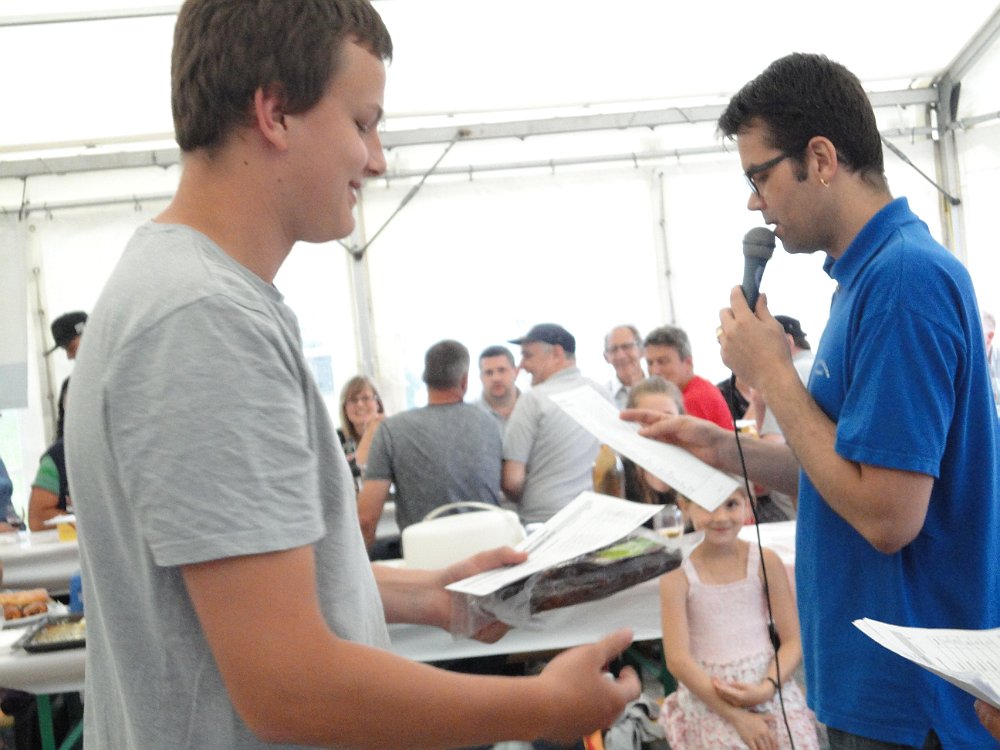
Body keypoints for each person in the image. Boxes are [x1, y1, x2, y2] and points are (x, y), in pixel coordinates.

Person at [63, 3, 638, 748]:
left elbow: (242, 595)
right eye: (363, 123)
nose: (377, 159)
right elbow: (289, 687)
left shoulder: (181, 293)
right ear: (275, 113)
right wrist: (542, 708)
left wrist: (429, 594)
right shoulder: (204, 320)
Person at [628, 52, 999, 748]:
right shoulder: (868, 279)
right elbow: (845, 473)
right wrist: (721, 449)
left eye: (759, 175)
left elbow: (888, 515)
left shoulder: (903, 283)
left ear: (821, 159)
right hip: (872, 684)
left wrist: (775, 376)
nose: (754, 201)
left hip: (908, 698)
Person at [658, 485, 818, 750]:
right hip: (710, 694)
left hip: (767, 682)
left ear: (747, 503)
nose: (721, 517)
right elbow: (677, 660)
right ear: (685, 508)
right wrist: (737, 717)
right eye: (708, 506)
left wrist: (766, 688)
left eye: (731, 504)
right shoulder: (677, 575)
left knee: (797, 740)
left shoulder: (766, 561)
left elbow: (793, 641)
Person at [358, 339, 503, 548]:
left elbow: (366, 519)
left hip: (427, 558)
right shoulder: (491, 424)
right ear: (464, 381)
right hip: (490, 553)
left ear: (425, 379)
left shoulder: (392, 430)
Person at [502, 323, 608, 523]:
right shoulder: (602, 395)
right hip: (597, 517)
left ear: (557, 353)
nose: (522, 365)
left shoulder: (532, 400)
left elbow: (512, 481)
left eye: (527, 355)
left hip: (544, 522)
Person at [643, 325, 734, 429]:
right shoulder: (700, 387)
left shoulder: (691, 400)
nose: (655, 371)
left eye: (662, 362)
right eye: (650, 363)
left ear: (688, 363)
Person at [337, 374, 385, 490]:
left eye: (366, 398)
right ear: (344, 408)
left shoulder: (391, 436)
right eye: (353, 400)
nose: (360, 404)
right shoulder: (335, 439)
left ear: (377, 403)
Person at [44, 310, 87, 439]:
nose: (69, 356)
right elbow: (62, 432)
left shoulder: (116, 377)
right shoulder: (69, 386)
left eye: (71, 347)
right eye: (65, 350)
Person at [603, 325, 646, 410]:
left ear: (642, 350)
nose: (621, 356)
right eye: (613, 349)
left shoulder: (662, 388)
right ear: (606, 357)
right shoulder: (603, 397)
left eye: (626, 347)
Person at [477, 344, 520, 425]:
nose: (496, 378)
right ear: (481, 377)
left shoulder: (535, 408)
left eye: (501, 370)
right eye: (489, 372)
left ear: (516, 372)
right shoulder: (469, 415)